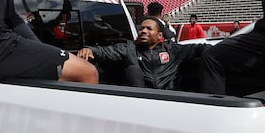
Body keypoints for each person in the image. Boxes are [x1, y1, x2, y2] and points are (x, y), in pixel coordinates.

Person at [77, 17, 206, 90]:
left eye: (149, 29)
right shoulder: (130, 47)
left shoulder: (172, 49)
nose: (143, 31)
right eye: (141, 28)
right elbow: (106, 51)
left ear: (160, 35)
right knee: (133, 70)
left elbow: (200, 48)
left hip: (169, 99)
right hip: (141, 100)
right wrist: (90, 50)